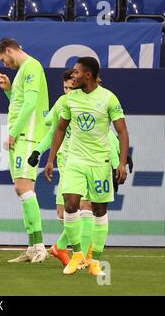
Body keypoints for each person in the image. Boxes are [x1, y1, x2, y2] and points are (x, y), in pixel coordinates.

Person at [28, 70, 127, 267]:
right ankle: (69, 249)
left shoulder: (95, 104)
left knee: (87, 208)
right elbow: (52, 127)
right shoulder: (65, 103)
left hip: (89, 164)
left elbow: (108, 136)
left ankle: (82, 255)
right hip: (67, 166)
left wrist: (118, 162)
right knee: (64, 214)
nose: (67, 90)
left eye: (70, 87)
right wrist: (38, 152)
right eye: (64, 87)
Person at [0, 37, 50, 263]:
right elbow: (19, 103)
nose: (4, 63)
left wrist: (14, 132)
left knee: (22, 187)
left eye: (3, 59)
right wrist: (8, 90)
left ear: (8, 50)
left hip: (28, 136)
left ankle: (39, 247)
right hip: (23, 136)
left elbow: (30, 105)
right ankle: (32, 246)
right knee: (23, 190)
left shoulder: (31, 67)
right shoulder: (23, 72)